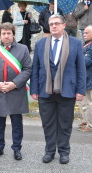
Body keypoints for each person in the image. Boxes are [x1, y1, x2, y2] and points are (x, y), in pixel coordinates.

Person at [30, 14, 86, 164]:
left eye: (56, 23)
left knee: (65, 124)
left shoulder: (75, 43)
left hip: (67, 91)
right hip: (45, 92)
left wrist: (81, 90)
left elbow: (81, 69)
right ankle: (49, 151)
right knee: (48, 124)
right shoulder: (41, 44)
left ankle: (64, 152)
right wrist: (33, 89)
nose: (53, 26)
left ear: (63, 25)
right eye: (51, 24)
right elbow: (35, 68)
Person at [0, 22, 32, 161]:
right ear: (0, 35)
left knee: (17, 123)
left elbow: (28, 69)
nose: (6, 36)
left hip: (16, 91)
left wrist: (15, 84)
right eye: (3, 34)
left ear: (13, 34)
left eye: (8, 33)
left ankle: (17, 148)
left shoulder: (23, 49)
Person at [78, 25, 92, 132]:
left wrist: (75, 59)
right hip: (84, 77)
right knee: (81, 101)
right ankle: (86, 121)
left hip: (88, 77)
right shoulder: (87, 44)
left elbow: (87, 61)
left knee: (87, 102)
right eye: (84, 33)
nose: (84, 34)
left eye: (87, 33)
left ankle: (91, 125)